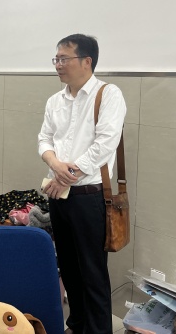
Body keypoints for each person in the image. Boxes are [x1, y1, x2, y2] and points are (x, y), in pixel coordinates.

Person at [38, 34, 126, 334]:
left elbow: (104, 145)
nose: (58, 65)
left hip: (90, 197)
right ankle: (76, 324)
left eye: (64, 59)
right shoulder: (55, 101)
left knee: (92, 272)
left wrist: (65, 175)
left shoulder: (108, 95)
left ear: (87, 61)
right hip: (59, 196)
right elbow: (44, 139)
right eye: (56, 59)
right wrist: (55, 165)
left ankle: (98, 330)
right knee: (68, 267)